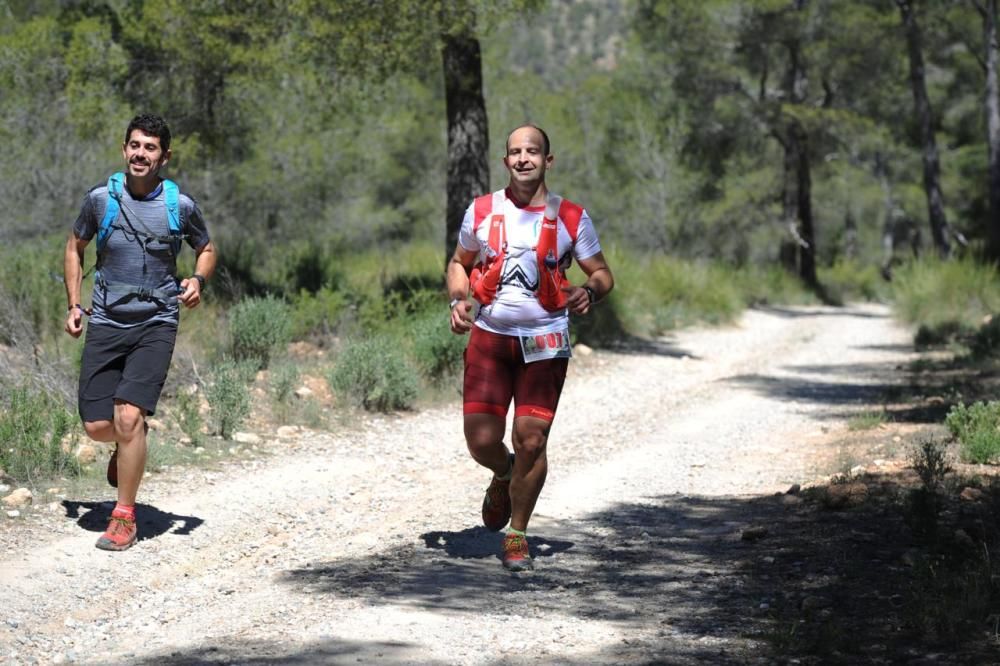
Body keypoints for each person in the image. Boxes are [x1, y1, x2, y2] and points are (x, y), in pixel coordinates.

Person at [446, 124, 614, 571]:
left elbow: (602, 274)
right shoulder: (481, 211)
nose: (523, 158)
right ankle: (503, 472)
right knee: (482, 441)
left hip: (545, 342)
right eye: (515, 152)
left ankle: (517, 533)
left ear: (547, 161)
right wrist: (458, 300)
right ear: (506, 162)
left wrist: (588, 292)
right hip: (490, 339)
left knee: (532, 439)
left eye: (533, 151)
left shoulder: (572, 217)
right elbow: (459, 263)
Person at [63, 114, 216, 551]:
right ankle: (127, 447)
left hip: (157, 321)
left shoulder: (180, 206)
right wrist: (74, 304)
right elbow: (75, 247)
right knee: (97, 426)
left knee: (129, 417)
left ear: (164, 156)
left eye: (150, 148)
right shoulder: (99, 200)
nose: (140, 154)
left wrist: (197, 281)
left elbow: (205, 249)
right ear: (123, 149)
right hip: (107, 321)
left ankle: (124, 517)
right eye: (134, 145)